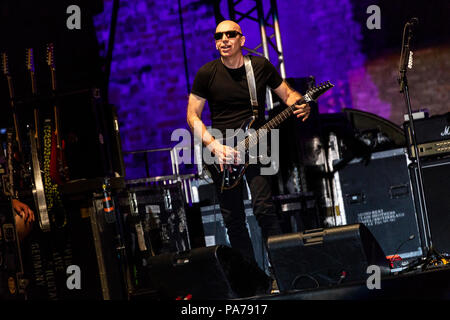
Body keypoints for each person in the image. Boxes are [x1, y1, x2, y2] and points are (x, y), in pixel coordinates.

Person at [186, 20, 310, 265]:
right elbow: (192, 116)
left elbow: (287, 95)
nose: (223, 39)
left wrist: (301, 103)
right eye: (218, 36)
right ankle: (251, 279)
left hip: (255, 145)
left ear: (242, 39)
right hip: (221, 152)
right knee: (234, 219)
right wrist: (213, 146)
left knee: (264, 209)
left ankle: (282, 269)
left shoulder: (260, 66)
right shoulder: (206, 73)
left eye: (230, 34)